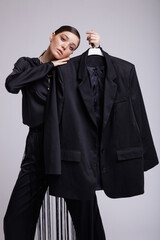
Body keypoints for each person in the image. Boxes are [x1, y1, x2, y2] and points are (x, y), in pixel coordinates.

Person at [4, 26, 101, 240]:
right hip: (37, 145)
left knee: (88, 218)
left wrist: (96, 51)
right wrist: (48, 67)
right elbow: (11, 84)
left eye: (71, 47)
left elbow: (97, 89)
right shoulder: (27, 65)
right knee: (15, 220)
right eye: (63, 39)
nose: (64, 47)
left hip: (69, 146)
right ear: (52, 36)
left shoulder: (72, 70)